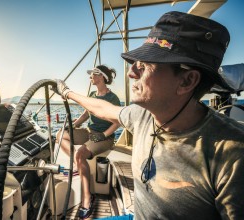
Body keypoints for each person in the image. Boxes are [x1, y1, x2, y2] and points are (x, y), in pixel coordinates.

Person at [54, 11, 244, 220]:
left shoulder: (233, 155)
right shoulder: (143, 115)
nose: (131, 73)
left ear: (187, 81)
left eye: (144, 66)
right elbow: (102, 109)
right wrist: (67, 93)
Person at [56, 65, 121, 219]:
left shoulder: (113, 98)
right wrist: (74, 125)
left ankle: (87, 198)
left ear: (102, 77)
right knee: (60, 135)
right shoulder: (92, 94)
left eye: (93, 74)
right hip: (89, 132)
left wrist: (104, 134)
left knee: (81, 154)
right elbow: (86, 114)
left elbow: (117, 122)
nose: (90, 76)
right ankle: (76, 165)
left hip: (105, 137)